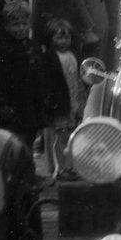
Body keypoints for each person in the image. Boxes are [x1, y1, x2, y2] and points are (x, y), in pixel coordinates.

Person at [0, 0, 46, 149]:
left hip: (31, 105)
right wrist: (3, 103)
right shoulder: (4, 49)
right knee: (15, 142)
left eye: (24, 24)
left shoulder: (33, 47)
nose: (21, 28)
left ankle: (27, 170)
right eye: (16, 25)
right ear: (6, 26)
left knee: (29, 139)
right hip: (14, 106)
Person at [40, 18, 85, 180]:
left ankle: (69, 165)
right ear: (51, 38)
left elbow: (78, 80)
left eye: (67, 37)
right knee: (61, 135)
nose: (64, 41)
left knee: (71, 135)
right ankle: (59, 167)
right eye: (59, 37)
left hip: (72, 102)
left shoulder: (72, 56)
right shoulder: (50, 58)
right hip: (59, 104)